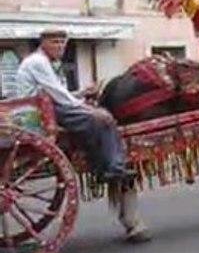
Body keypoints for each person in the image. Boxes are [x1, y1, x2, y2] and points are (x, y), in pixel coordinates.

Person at [16, 29, 135, 184]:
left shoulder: (45, 62)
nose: (60, 47)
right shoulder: (38, 62)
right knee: (105, 120)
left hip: (47, 107)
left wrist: (82, 93)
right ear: (43, 43)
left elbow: (58, 92)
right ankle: (115, 168)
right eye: (55, 42)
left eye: (62, 43)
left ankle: (100, 165)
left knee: (97, 118)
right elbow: (58, 95)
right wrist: (88, 109)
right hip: (43, 111)